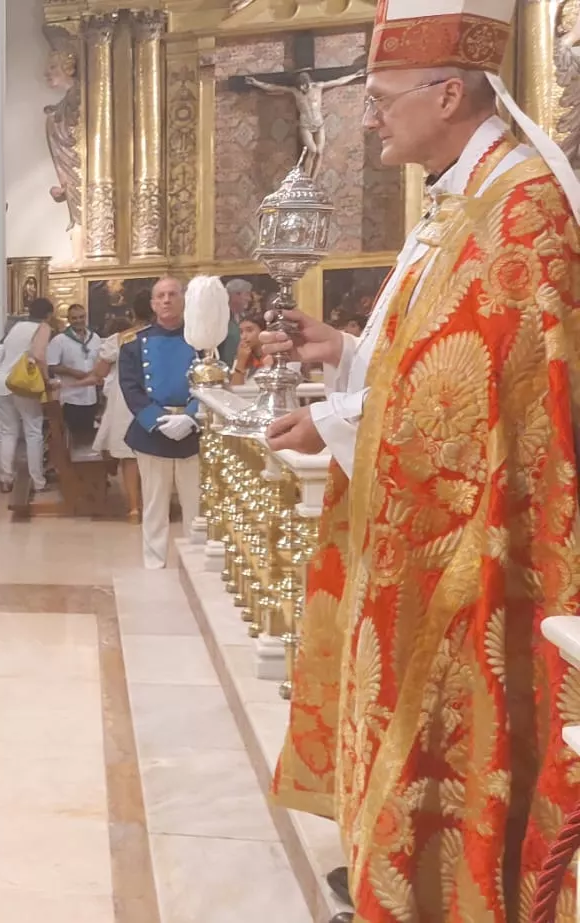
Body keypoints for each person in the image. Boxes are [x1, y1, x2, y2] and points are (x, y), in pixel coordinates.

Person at [259, 6, 580, 914]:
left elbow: (483, 406)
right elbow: (437, 353)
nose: (367, 119)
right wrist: (350, 356)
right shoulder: (464, 200)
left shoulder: (522, 213)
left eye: (379, 98)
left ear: (448, 93)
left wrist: (338, 422)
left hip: (476, 551)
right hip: (418, 532)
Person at [117, 277, 197, 569]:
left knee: (196, 504)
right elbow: (131, 388)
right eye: (160, 296)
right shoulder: (134, 344)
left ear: (183, 299)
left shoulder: (202, 341)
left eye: (172, 294)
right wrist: (156, 420)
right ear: (152, 304)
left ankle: (196, 561)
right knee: (154, 502)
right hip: (152, 431)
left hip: (193, 430)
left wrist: (191, 415)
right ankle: (154, 561)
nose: (166, 300)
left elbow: (215, 382)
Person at [90, 296, 154, 523]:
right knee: (155, 457)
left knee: (129, 457)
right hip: (155, 398)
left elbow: (100, 372)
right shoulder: (162, 335)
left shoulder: (121, 339)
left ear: (133, 314)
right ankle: (154, 506)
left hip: (126, 400)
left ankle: (134, 509)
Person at [0, 297, 55, 492]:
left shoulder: (17, 326)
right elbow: (39, 356)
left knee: (8, 431)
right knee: (33, 431)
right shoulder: (43, 328)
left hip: (2, 382)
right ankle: (38, 481)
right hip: (22, 382)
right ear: (48, 315)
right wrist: (47, 380)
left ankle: (6, 478)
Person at [46, 302, 102, 444]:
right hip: (70, 397)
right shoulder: (60, 340)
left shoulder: (95, 338)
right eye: (74, 318)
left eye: (81, 317)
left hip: (91, 396)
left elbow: (101, 360)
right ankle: (71, 464)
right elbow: (51, 366)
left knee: (89, 435)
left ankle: (86, 464)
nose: (78, 321)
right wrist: (71, 372)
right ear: (69, 320)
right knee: (71, 437)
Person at [217, 279, 251, 364]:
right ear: (235, 295)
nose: (249, 299)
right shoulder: (220, 317)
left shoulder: (244, 317)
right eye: (246, 294)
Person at [228, 313, 267, 384]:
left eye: (249, 330)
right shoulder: (242, 355)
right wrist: (241, 362)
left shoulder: (273, 356)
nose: (243, 337)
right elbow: (235, 390)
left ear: (263, 331)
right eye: (241, 332)